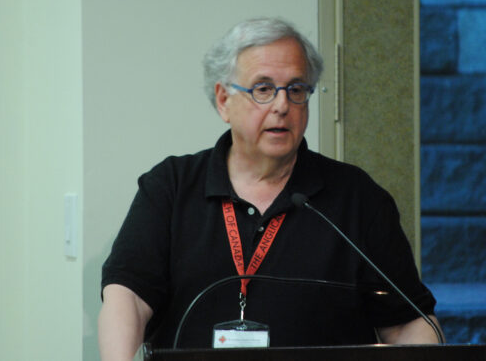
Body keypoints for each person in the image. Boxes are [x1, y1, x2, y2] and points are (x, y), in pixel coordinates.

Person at [98, 18, 442, 360]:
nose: (282, 105)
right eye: (263, 89)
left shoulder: (358, 197)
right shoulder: (171, 187)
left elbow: (408, 323)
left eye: (296, 89)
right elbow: (128, 297)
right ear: (223, 100)